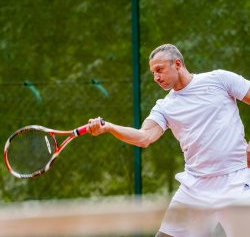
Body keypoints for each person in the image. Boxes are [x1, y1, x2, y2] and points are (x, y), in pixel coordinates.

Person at [86, 44, 250, 237]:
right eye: (153, 73)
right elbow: (144, 137)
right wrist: (109, 127)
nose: (156, 77)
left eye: (159, 70)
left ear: (177, 64)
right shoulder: (164, 107)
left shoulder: (220, 80)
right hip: (194, 186)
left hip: (236, 180)